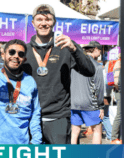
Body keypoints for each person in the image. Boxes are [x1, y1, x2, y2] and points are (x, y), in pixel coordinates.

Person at [22, 4, 95, 144]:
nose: (44, 23)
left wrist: (75, 49)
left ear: (54, 22)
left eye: (48, 19)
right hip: (29, 118)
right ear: (33, 23)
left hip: (59, 119)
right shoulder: (24, 50)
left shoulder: (66, 46)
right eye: (39, 19)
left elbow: (90, 71)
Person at [70, 41, 104, 144]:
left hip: (73, 102)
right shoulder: (97, 66)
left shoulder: (74, 64)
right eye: (100, 51)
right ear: (96, 50)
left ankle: (71, 155)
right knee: (97, 130)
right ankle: (96, 156)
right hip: (89, 103)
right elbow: (99, 88)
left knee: (75, 132)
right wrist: (101, 107)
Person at [111, 53, 122, 144]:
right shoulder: (120, 63)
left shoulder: (115, 63)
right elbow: (118, 81)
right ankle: (114, 137)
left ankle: (119, 137)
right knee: (120, 114)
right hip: (121, 91)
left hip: (117, 90)